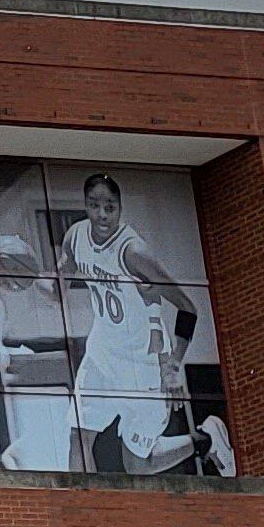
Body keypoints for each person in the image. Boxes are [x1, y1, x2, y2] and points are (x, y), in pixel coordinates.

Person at [61, 170, 201, 475]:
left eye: (109, 207)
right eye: (94, 205)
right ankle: (85, 514)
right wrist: (22, 277)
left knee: (138, 464)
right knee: (79, 438)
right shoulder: (74, 238)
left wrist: (174, 367)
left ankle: (203, 440)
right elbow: (55, 289)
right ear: (85, 206)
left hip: (143, 365)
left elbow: (188, 308)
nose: (102, 214)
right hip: (101, 356)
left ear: (120, 208)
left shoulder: (134, 252)